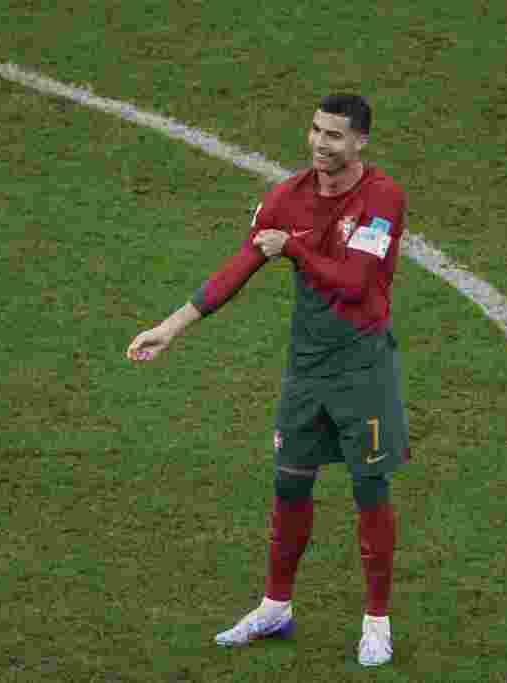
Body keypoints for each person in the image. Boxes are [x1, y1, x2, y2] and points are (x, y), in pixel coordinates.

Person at [126, 93, 409, 667]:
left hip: (363, 372)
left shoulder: (383, 199)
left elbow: (354, 284)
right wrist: (170, 326)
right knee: (289, 488)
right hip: (306, 373)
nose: (319, 143)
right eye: (315, 130)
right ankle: (275, 607)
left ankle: (376, 620)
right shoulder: (287, 198)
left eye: (334, 135)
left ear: (360, 142)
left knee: (369, 492)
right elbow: (237, 268)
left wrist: (294, 252)